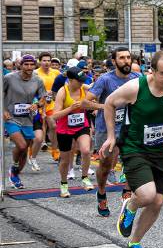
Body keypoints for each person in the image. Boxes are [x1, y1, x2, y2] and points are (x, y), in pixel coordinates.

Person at [99, 51, 163, 248]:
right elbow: (110, 103)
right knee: (147, 195)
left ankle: (134, 244)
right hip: (135, 148)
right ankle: (131, 205)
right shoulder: (135, 88)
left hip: (162, 150)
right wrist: (112, 136)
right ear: (151, 71)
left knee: (158, 201)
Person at [87, 47, 140, 216]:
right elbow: (86, 102)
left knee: (134, 162)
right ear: (114, 61)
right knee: (105, 165)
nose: (126, 61)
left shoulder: (138, 78)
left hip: (130, 127)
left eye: (128, 57)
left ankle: (127, 192)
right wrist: (107, 106)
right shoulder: (105, 80)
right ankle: (101, 192)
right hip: (106, 128)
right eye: (122, 58)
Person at [3, 54, 46, 189]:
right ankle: (14, 168)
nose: (28, 67)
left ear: (34, 66)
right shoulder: (9, 78)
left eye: (31, 64)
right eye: (25, 64)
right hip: (11, 117)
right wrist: (3, 110)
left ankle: (15, 174)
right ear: (20, 65)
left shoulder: (37, 80)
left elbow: (43, 98)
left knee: (25, 149)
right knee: (21, 146)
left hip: (28, 118)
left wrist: (37, 104)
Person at [52, 67, 96, 197]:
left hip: (82, 125)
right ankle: (64, 184)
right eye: (79, 80)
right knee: (65, 160)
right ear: (70, 80)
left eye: (83, 80)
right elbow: (55, 115)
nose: (82, 83)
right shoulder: (62, 91)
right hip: (65, 128)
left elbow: (96, 92)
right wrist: (70, 108)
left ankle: (84, 177)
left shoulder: (84, 88)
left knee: (86, 150)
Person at [35, 52, 62, 162]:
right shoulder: (35, 73)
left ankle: (55, 150)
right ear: (40, 61)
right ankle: (33, 150)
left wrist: (54, 93)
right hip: (38, 103)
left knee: (53, 126)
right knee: (39, 128)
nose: (46, 63)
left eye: (48, 60)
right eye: (44, 60)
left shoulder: (56, 72)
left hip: (51, 103)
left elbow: (62, 85)